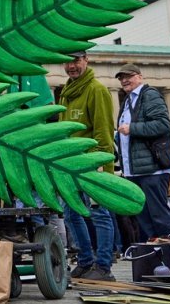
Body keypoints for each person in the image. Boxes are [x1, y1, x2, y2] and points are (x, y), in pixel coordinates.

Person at [58, 50, 116, 282]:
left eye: (76, 60)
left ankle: (103, 267)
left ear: (86, 60)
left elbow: (104, 132)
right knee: (70, 214)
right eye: (67, 61)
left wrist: (101, 164)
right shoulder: (66, 92)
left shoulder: (97, 90)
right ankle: (85, 261)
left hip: (92, 165)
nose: (71, 66)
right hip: (69, 166)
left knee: (100, 214)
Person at [114, 63, 170, 241]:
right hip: (135, 169)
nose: (124, 80)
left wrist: (132, 129)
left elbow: (163, 124)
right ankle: (157, 255)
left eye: (128, 76)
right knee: (145, 217)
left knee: (159, 213)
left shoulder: (149, 95)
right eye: (121, 78)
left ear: (139, 76)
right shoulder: (128, 100)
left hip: (153, 168)